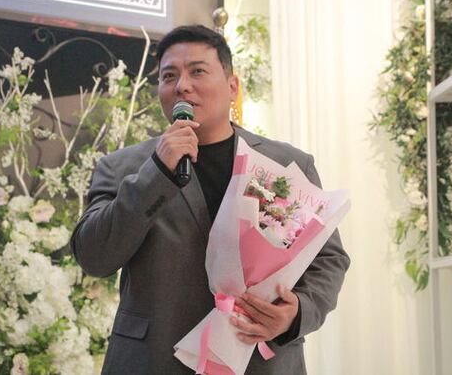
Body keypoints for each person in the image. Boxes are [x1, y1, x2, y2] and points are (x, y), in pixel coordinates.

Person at [71, 25, 350, 375]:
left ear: (232, 86)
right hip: (156, 360)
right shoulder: (122, 167)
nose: (182, 85)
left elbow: (329, 259)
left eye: (197, 71)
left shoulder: (287, 164)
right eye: (169, 76)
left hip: (259, 359)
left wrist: (297, 313)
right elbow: (94, 257)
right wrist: (156, 173)